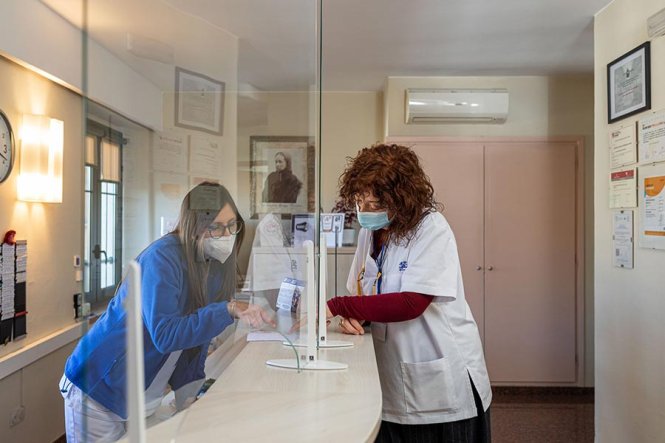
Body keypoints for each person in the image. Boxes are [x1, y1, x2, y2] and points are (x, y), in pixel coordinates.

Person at [60, 182, 274, 442]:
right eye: (216, 227)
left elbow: (196, 339)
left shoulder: (213, 264)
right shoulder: (163, 258)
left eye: (232, 225)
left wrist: (190, 395)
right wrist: (228, 309)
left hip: (140, 395)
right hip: (97, 389)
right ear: (193, 226)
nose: (226, 234)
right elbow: (166, 334)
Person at [325, 144, 492, 442]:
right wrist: (356, 317)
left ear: (400, 199)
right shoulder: (370, 233)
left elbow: (411, 303)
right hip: (393, 380)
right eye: (360, 200)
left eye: (374, 204)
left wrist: (339, 306)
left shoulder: (431, 228)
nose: (364, 210)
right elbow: (367, 295)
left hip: (440, 384)